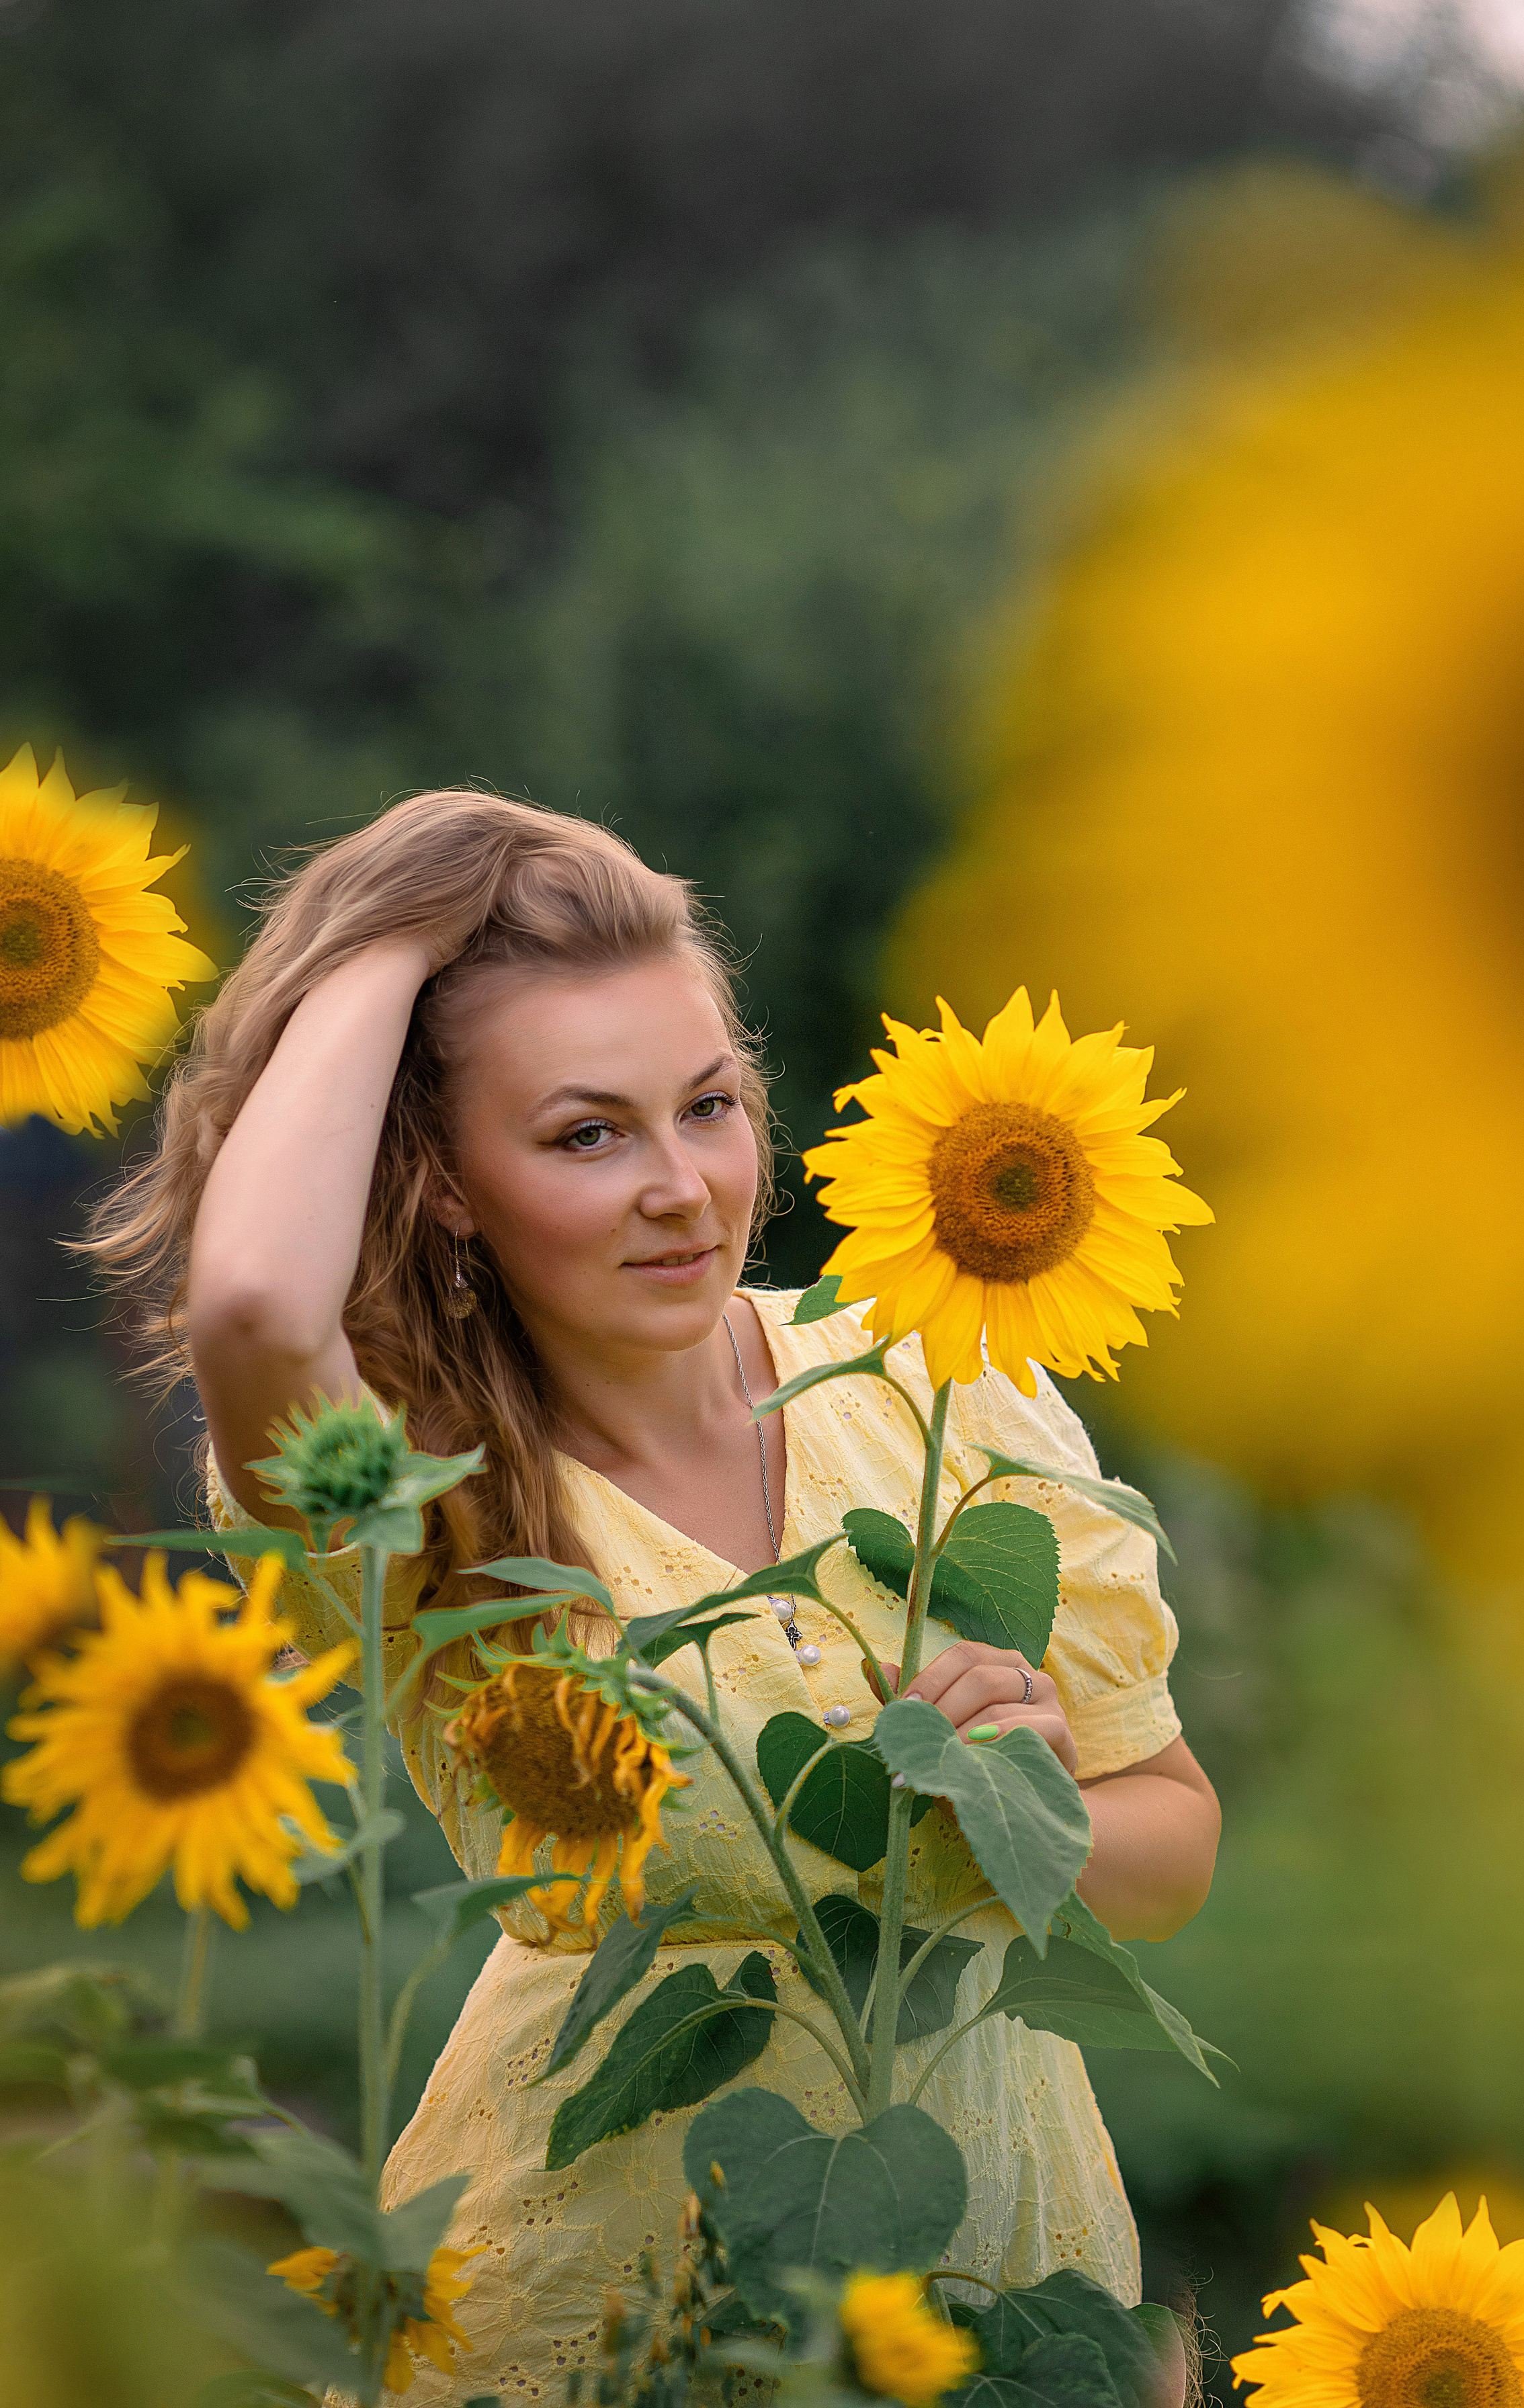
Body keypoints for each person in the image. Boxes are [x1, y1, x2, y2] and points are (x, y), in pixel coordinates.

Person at [91, 791, 1220, 2401]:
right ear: (445, 1185)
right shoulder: (423, 1495)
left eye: (707, 1105)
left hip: (1002, 2294)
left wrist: (1010, 1802)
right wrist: (405, 925)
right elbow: (261, 1302)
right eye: (584, 1133)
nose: (684, 1186)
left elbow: (1165, 1852)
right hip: (607, 2327)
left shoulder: (937, 1383)